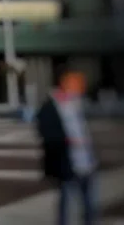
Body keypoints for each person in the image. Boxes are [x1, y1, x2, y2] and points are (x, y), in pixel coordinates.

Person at [36, 67, 97, 225]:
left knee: (89, 202)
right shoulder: (49, 107)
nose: (80, 88)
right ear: (65, 84)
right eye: (76, 84)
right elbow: (47, 135)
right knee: (66, 201)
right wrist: (69, 141)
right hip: (66, 162)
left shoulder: (77, 104)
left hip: (86, 161)